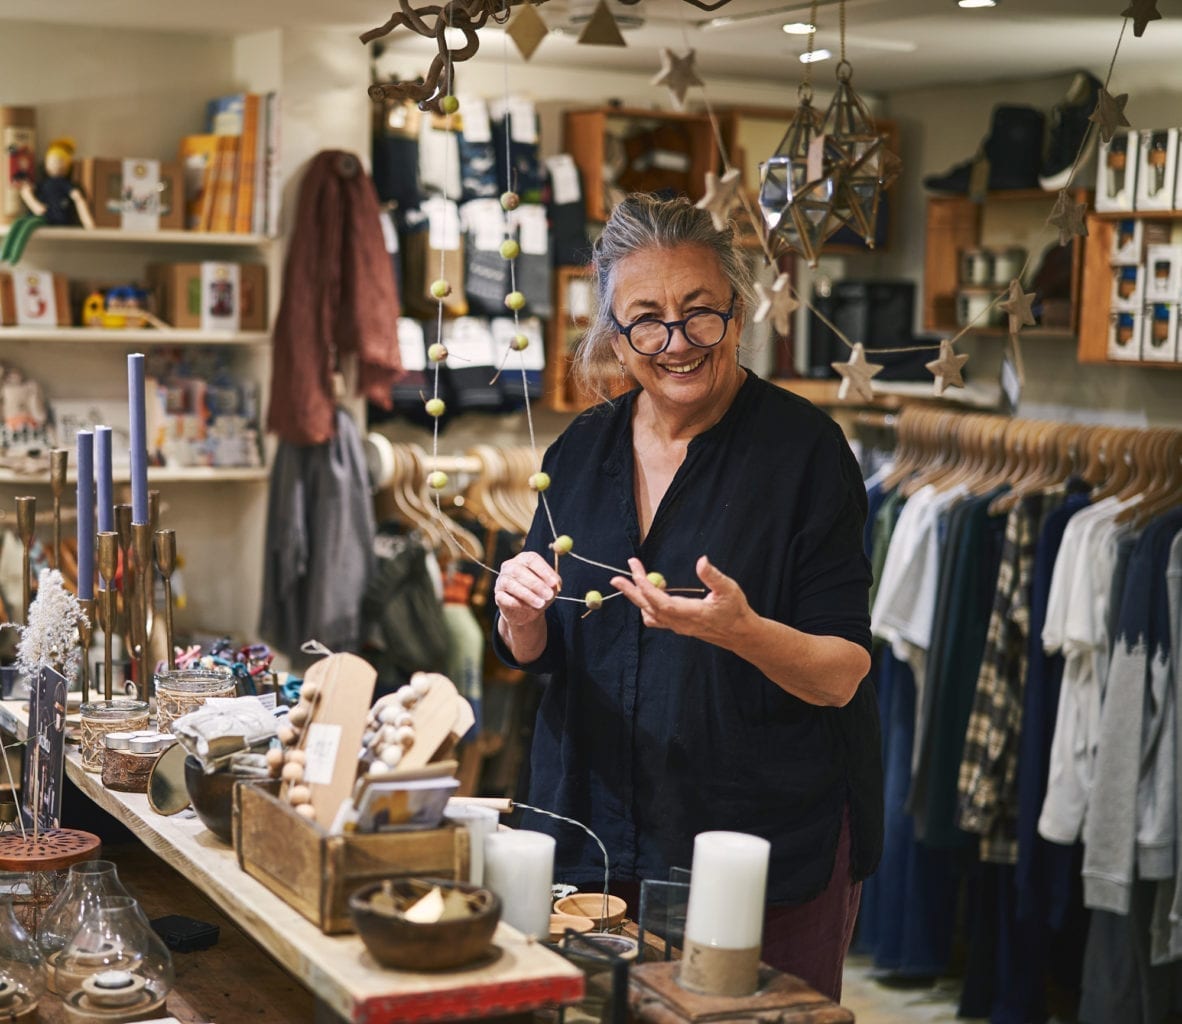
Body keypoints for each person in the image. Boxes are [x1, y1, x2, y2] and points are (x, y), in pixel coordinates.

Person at [492, 194, 881, 1003]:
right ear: (613, 331)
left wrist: (743, 632)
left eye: (701, 313)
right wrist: (517, 615)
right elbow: (542, 653)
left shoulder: (805, 454)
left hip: (758, 847)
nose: (676, 344)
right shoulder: (579, 449)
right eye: (647, 320)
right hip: (595, 839)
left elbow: (841, 673)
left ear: (738, 312)